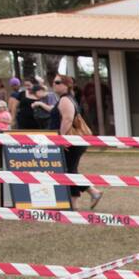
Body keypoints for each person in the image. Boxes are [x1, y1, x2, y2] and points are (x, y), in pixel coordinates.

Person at [44, 75, 103, 210]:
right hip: (72, 141)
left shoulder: (65, 99)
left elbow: (67, 119)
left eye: (58, 82)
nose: (54, 84)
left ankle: (93, 192)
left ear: (66, 85)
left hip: (70, 141)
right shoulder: (65, 99)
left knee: (69, 171)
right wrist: (40, 104)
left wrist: (62, 139)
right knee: (70, 170)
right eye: (53, 82)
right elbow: (56, 112)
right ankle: (75, 203)